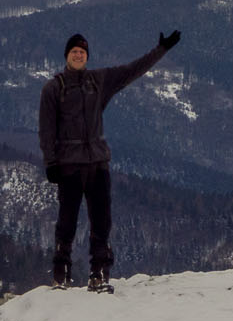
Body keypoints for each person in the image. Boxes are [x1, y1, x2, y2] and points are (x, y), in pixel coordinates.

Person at [38, 29, 180, 290]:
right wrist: (51, 163)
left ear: (87, 57)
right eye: (74, 51)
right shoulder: (53, 88)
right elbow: (46, 129)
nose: (78, 55)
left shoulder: (98, 81)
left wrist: (161, 50)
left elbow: (131, 71)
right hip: (69, 165)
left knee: (101, 221)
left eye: (82, 52)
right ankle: (61, 274)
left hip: (97, 164)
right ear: (67, 56)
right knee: (67, 221)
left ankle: (99, 274)